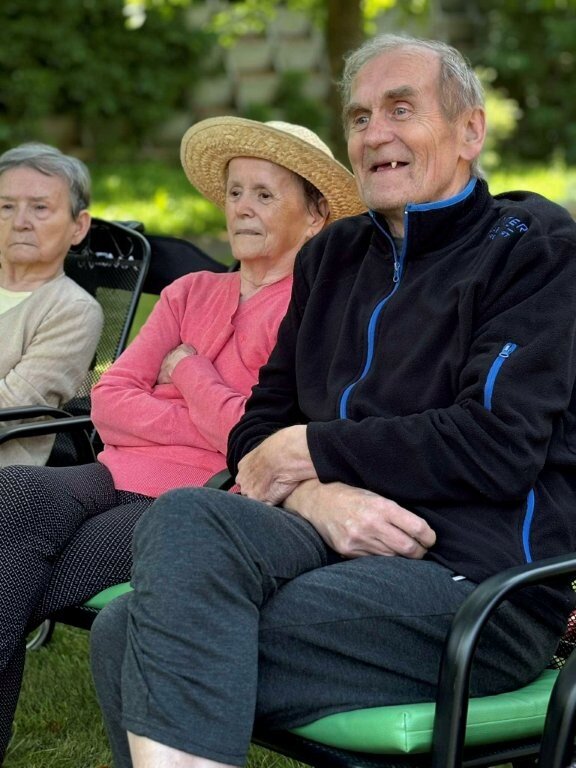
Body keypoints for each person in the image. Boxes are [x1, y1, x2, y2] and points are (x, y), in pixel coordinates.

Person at [89, 33, 576, 768]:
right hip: (321, 542)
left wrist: (310, 449)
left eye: (401, 109)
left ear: (469, 130)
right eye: (359, 116)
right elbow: (260, 422)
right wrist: (317, 495)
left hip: (473, 580)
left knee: (128, 634)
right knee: (187, 514)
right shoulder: (333, 256)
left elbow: (497, 443)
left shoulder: (531, 247)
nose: (375, 133)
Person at [0, 119, 363, 763]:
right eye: (235, 192)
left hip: (202, 501)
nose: (242, 208)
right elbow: (110, 400)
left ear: (314, 218)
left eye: (264, 195)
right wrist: (207, 414)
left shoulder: (311, 313)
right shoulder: (190, 290)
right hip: (115, 472)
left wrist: (187, 372)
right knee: (11, 495)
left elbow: (255, 438)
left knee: (27, 567)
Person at [0, 142, 103, 466]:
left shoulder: (73, 311)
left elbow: (10, 406)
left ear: (78, 226)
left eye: (40, 208)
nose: (20, 222)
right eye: (6, 206)